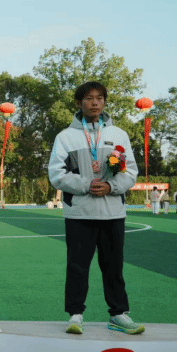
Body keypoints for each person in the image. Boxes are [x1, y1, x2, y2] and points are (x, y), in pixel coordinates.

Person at [48, 81, 144, 335]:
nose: (94, 103)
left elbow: (130, 171)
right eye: (89, 98)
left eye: (99, 98)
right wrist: (85, 185)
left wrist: (111, 186)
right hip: (79, 212)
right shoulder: (65, 137)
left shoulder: (119, 135)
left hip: (112, 212)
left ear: (104, 102)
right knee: (77, 267)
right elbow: (56, 174)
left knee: (114, 267)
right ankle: (75, 315)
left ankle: (118, 314)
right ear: (79, 102)